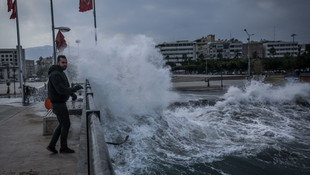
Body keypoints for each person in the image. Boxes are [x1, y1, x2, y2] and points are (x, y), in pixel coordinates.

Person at [46, 55, 83, 154]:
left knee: (62, 124)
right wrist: (74, 89)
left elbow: (65, 87)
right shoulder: (55, 74)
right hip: (58, 104)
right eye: (63, 62)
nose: (65, 64)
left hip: (59, 103)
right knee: (66, 124)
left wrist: (72, 94)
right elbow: (60, 90)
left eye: (66, 63)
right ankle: (63, 148)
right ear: (58, 63)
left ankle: (51, 145)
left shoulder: (61, 73)